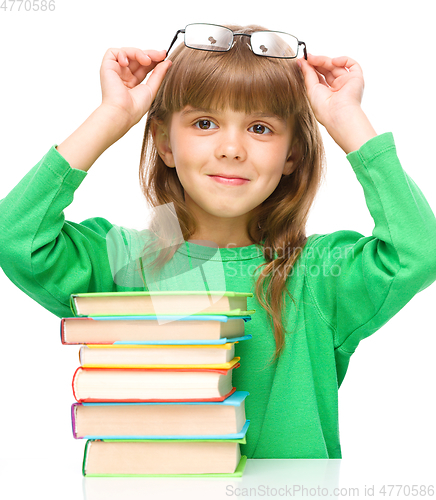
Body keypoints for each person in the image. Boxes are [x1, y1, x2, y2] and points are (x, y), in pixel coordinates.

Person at [1, 23, 436, 459]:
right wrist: (111, 116)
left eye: (261, 128)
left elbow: (417, 251)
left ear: (292, 156)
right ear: (164, 145)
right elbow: (17, 237)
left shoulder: (317, 276)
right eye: (204, 122)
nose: (231, 148)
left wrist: (348, 120)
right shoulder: (124, 262)